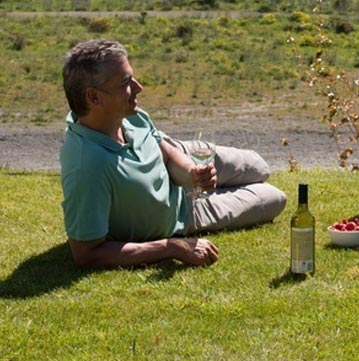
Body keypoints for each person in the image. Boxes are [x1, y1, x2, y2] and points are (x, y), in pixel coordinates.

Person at [60, 39, 286, 269]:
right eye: (126, 83)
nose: (139, 87)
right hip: (188, 213)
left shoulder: (129, 115)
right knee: (274, 198)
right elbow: (87, 254)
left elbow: (164, 152)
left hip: (183, 158)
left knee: (259, 166)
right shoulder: (87, 165)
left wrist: (193, 174)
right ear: (94, 97)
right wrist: (171, 247)